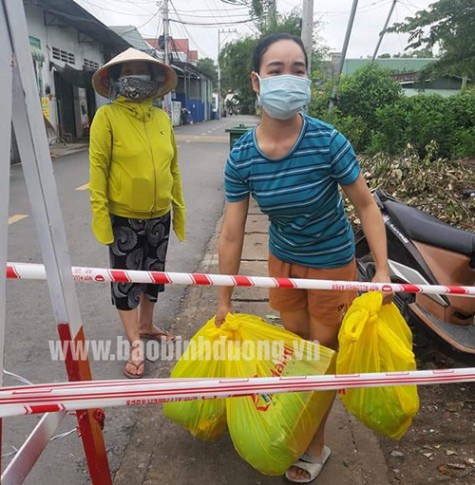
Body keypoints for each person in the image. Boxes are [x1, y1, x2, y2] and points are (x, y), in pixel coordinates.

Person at [215, 33, 392, 483]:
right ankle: (298, 425)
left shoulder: (327, 141)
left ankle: (314, 442)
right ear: (257, 82)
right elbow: (233, 233)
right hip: (283, 264)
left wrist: (384, 272)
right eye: (277, 70)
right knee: (297, 351)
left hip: (332, 263)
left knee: (321, 352)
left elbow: (368, 207)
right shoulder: (242, 157)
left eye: (299, 69)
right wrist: (223, 299)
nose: (289, 78)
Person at [89, 48, 185, 379]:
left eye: (140, 70)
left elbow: (173, 167)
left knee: (153, 275)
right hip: (123, 217)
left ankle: (146, 324)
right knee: (126, 280)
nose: (134, 77)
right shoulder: (107, 118)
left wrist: (178, 209)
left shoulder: (161, 118)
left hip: (160, 214)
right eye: (126, 70)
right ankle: (134, 343)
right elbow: (98, 171)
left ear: (154, 78)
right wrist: (101, 217)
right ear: (114, 79)